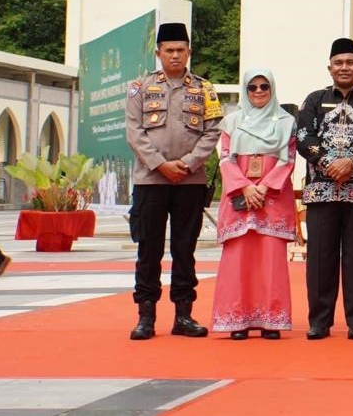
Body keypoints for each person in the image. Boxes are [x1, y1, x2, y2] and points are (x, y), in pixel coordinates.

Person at [124, 21, 223, 340]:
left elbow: (213, 131)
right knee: (148, 250)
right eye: (169, 50)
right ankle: (146, 315)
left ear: (189, 52)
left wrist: (189, 163)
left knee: (185, 249)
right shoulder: (140, 87)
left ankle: (184, 314)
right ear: (158, 53)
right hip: (150, 181)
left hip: (189, 182)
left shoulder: (205, 89)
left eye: (181, 50)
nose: (176, 55)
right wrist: (160, 164)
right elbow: (134, 132)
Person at [296, 38, 353, 341]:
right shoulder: (314, 100)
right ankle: (319, 321)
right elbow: (304, 138)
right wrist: (329, 164)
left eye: (350, 62)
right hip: (321, 191)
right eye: (339, 63)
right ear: (330, 67)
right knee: (320, 259)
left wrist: (352, 162)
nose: (344, 67)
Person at [210, 69, 298, 340]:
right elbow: (226, 159)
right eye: (252, 87)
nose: (258, 91)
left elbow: (289, 159)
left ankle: (271, 321)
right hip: (240, 197)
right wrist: (245, 187)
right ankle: (238, 320)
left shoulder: (286, 122)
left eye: (264, 86)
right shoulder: (231, 122)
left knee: (271, 260)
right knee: (239, 260)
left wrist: (263, 188)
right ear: (245, 91)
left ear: (272, 89)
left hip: (272, 197)